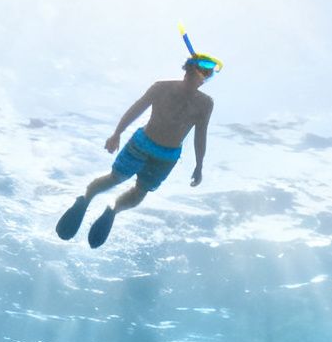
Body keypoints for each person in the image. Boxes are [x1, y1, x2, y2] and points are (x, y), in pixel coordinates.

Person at [56, 52, 219, 249]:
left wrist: (199, 165)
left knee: (140, 193)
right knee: (115, 178)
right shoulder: (161, 87)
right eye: (205, 72)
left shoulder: (205, 104)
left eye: (209, 75)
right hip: (142, 144)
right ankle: (86, 199)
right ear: (190, 68)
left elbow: (201, 134)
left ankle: (112, 210)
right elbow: (137, 109)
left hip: (167, 157)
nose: (206, 78)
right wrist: (117, 133)